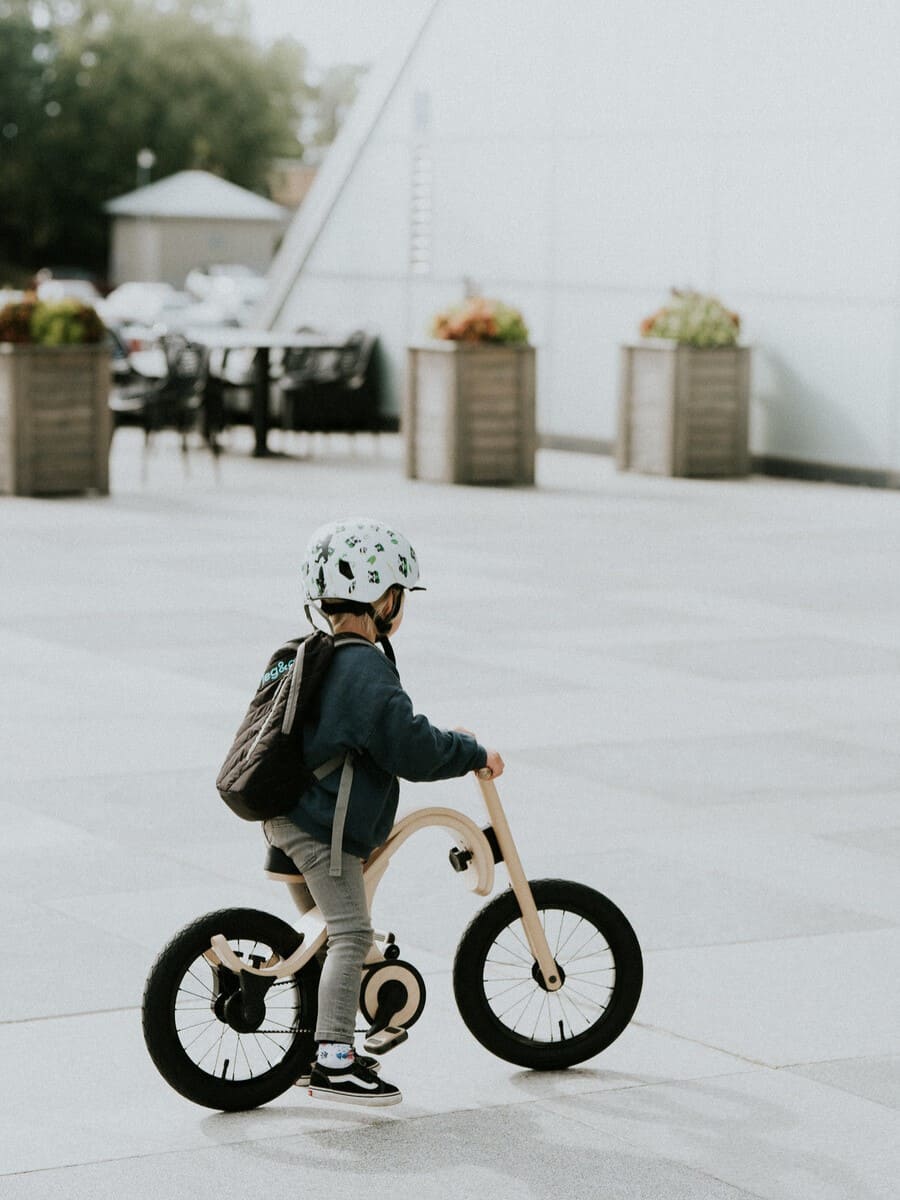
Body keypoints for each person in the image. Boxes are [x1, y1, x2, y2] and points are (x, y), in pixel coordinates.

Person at [263, 517, 504, 1107]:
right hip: (322, 828)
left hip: (288, 814)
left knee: (325, 937)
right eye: (402, 596)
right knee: (351, 931)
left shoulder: (316, 653)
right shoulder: (363, 665)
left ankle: (312, 1041)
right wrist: (471, 750)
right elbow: (410, 747)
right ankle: (333, 1061)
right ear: (383, 597)